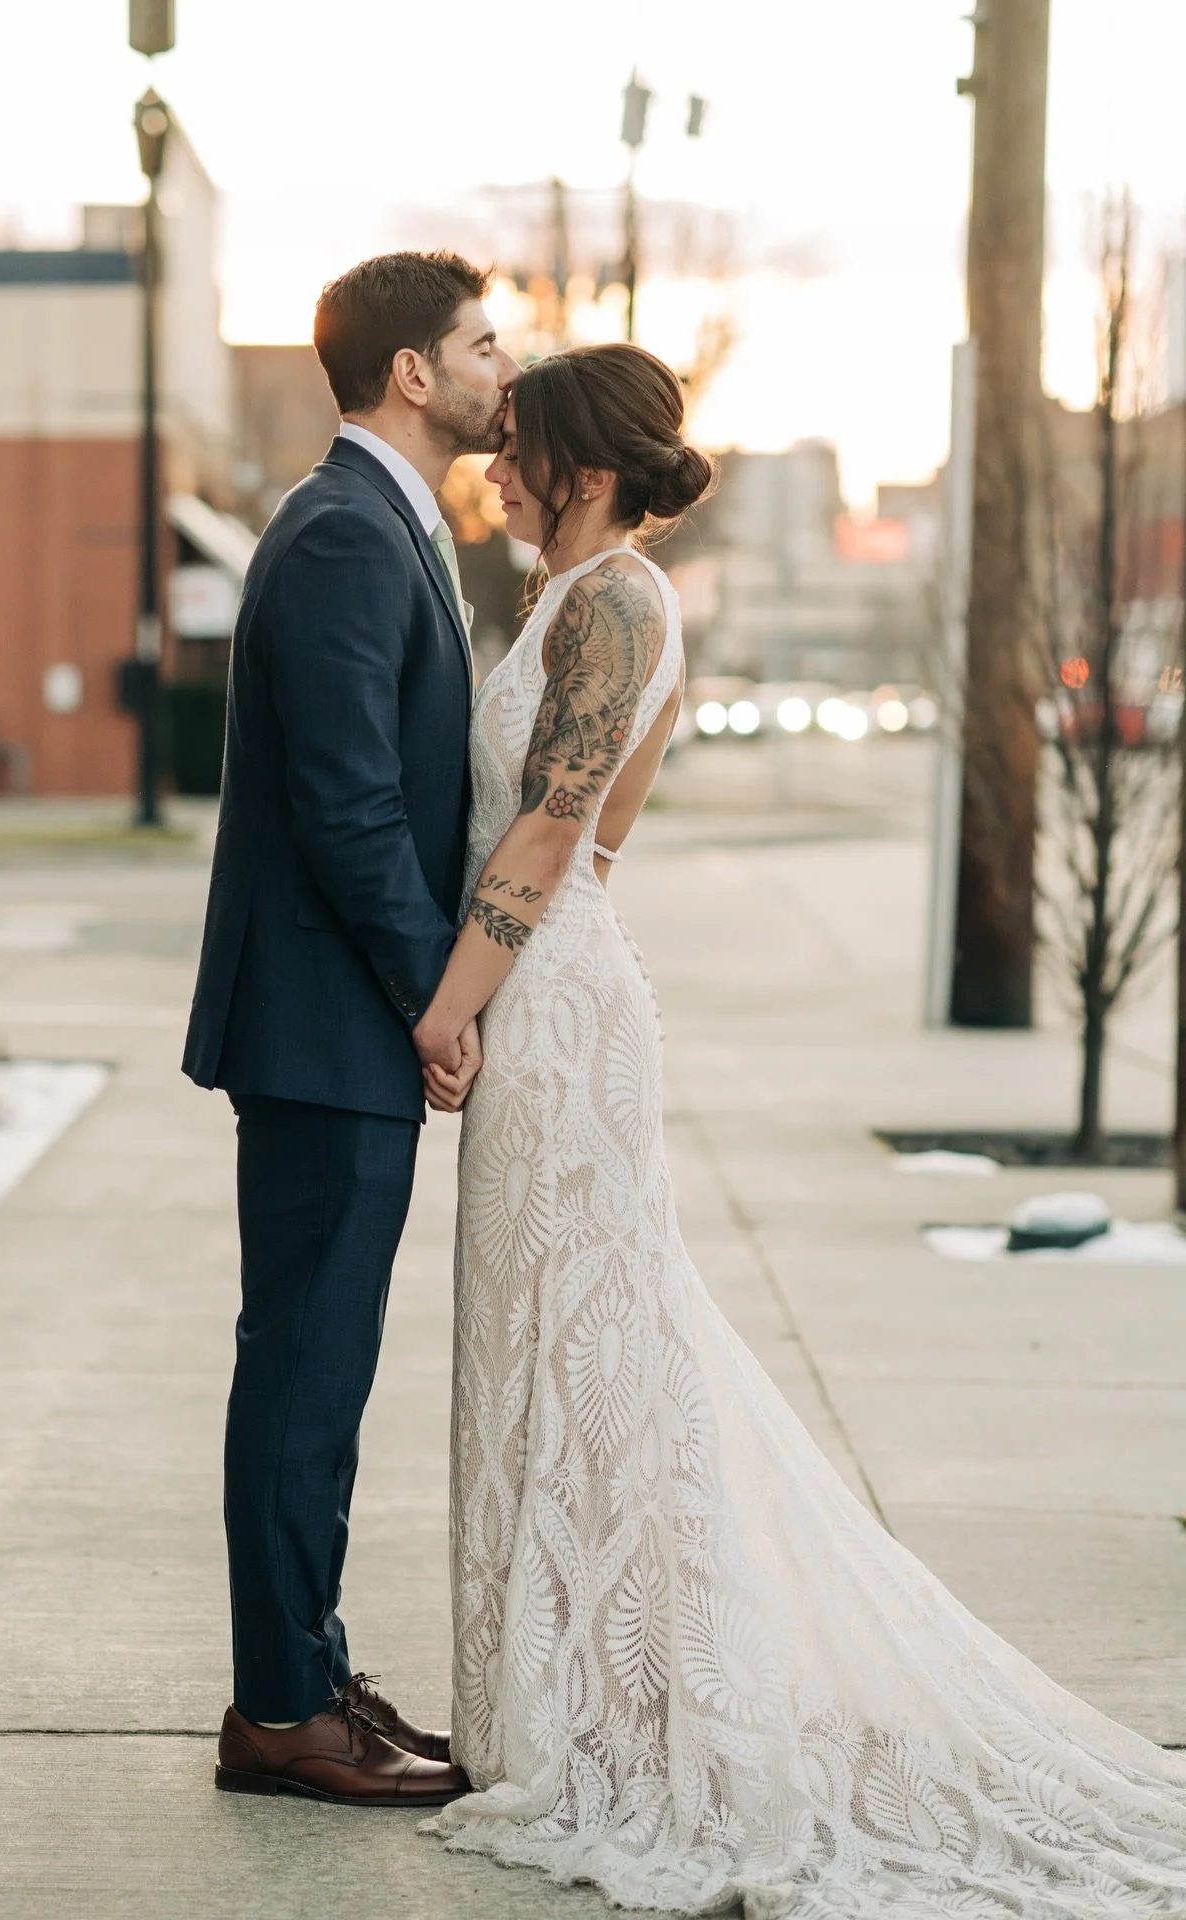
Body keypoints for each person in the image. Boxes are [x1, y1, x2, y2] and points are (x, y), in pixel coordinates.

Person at [418, 341, 1186, 1913]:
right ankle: (583, 1696)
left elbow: (557, 823)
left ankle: (641, 1701)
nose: (494, 464)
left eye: (518, 446)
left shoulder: (622, 599)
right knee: (552, 1346)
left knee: (600, 1350)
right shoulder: (564, 598)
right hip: (537, 991)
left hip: (558, 1007)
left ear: (588, 463)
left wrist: (455, 1003)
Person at [183, 251, 516, 1806]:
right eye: (479, 343)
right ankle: (278, 1709)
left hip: (338, 1027)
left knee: (323, 1365)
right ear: (408, 373)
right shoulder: (340, 535)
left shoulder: (387, 524)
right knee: (306, 1367)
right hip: (326, 1024)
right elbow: (349, 808)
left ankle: (304, 1670)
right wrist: (434, 1005)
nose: (501, 367)